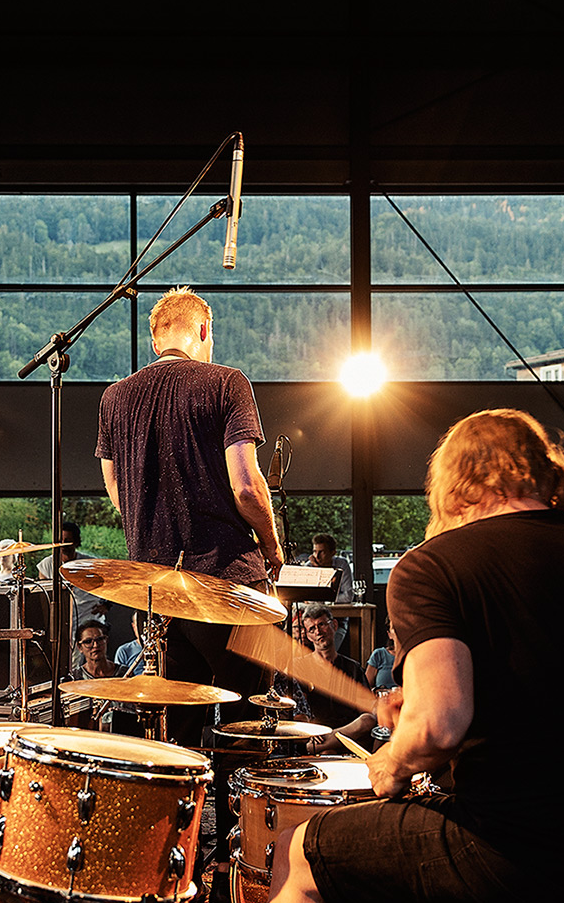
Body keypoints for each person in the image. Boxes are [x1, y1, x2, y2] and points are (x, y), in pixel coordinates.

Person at [254, 410, 564, 903]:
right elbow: (553, 684)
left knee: (300, 856)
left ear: (452, 483)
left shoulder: (431, 566)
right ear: (546, 473)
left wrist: (394, 761)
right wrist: (419, 703)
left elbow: (440, 726)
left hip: (529, 848)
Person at [96, 287, 284, 741]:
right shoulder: (226, 383)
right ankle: (239, 790)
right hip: (228, 585)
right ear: (203, 330)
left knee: (178, 732)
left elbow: (118, 492)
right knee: (248, 725)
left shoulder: (114, 399)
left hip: (158, 593)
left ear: (155, 341)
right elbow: (246, 487)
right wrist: (272, 546)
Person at [276, 603, 376, 753]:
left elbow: (367, 709)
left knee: (367, 720)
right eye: (312, 629)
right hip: (317, 735)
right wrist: (311, 730)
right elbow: (295, 713)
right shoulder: (298, 667)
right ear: (308, 636)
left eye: (322, 624)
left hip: (349, 731)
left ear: (334, 625)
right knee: (324, 750)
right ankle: (329, 745)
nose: (318, 632)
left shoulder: (353, 667)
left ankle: (331, 742)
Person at [294, 533, 354, 604]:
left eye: (321, 552)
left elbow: (348, 596)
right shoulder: (309, 566)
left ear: (333, 553)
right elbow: (306, 597)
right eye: (314, 552)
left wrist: (322, 600)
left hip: (338, 609)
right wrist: (316, 570)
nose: (317, 556)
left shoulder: (342, 564)